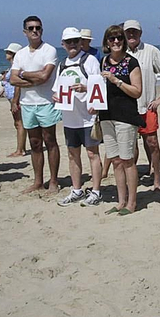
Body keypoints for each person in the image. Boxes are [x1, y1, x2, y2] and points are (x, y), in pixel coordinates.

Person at [9, 15, 61, 192]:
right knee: (34, 143)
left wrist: (24, 74)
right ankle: (38, 181)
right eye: (30, 28)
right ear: (25, 32)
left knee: (50, 140)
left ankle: (53, 180)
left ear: (42, 30)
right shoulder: (20, 54)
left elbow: (45, 76)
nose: (34, 31)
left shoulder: (49, 50)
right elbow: (13, 80)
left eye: (37, 28)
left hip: (46, 102)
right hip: (28, 104)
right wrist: (33, 78)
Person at [55, 27, 105, 207]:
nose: (73, 45)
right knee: (72, 154)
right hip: (69, 118)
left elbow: (99, 86)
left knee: (93, 153)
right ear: (63, 44)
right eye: (69, 42)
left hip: (87, 117)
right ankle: (76, 190)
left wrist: (86, 89)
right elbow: (56, 90)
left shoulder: (90, 60)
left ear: (80, 42)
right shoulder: (62, 64)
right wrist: (56, 97)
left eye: (76, 41)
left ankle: (96, 190)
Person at [99, 25, 145, 214]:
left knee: (127, 160)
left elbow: (137, 91)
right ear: (107, 42)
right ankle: (120, 201)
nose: (116, 41)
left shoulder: (131, 62)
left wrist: (117, 81)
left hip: (125, 116)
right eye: (112, 39)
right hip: (106, 115)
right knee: (116, 161)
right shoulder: (104, 61)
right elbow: (101, 88)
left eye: (119, 38)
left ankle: (132, 203)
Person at [124, 19, 160, 185]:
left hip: (147, 104)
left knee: (152, 142)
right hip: (127, 108)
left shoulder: (152, 51)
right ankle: (132, 179)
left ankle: (156, 178)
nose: (131, 34)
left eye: (134, 31)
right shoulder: (120, 53)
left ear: (140, 33)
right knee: (131, 145)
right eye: (128, 31)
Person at [2, 42, 26, 157]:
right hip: (12, 97)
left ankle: (20, 149)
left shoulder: (16, 68)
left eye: (9, 52)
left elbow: (17, 84)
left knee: (19, 123)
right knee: (18, 123)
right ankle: (22, 147)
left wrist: (15, 101)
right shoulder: (12, 67)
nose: (6, 54)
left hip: (15, 98)